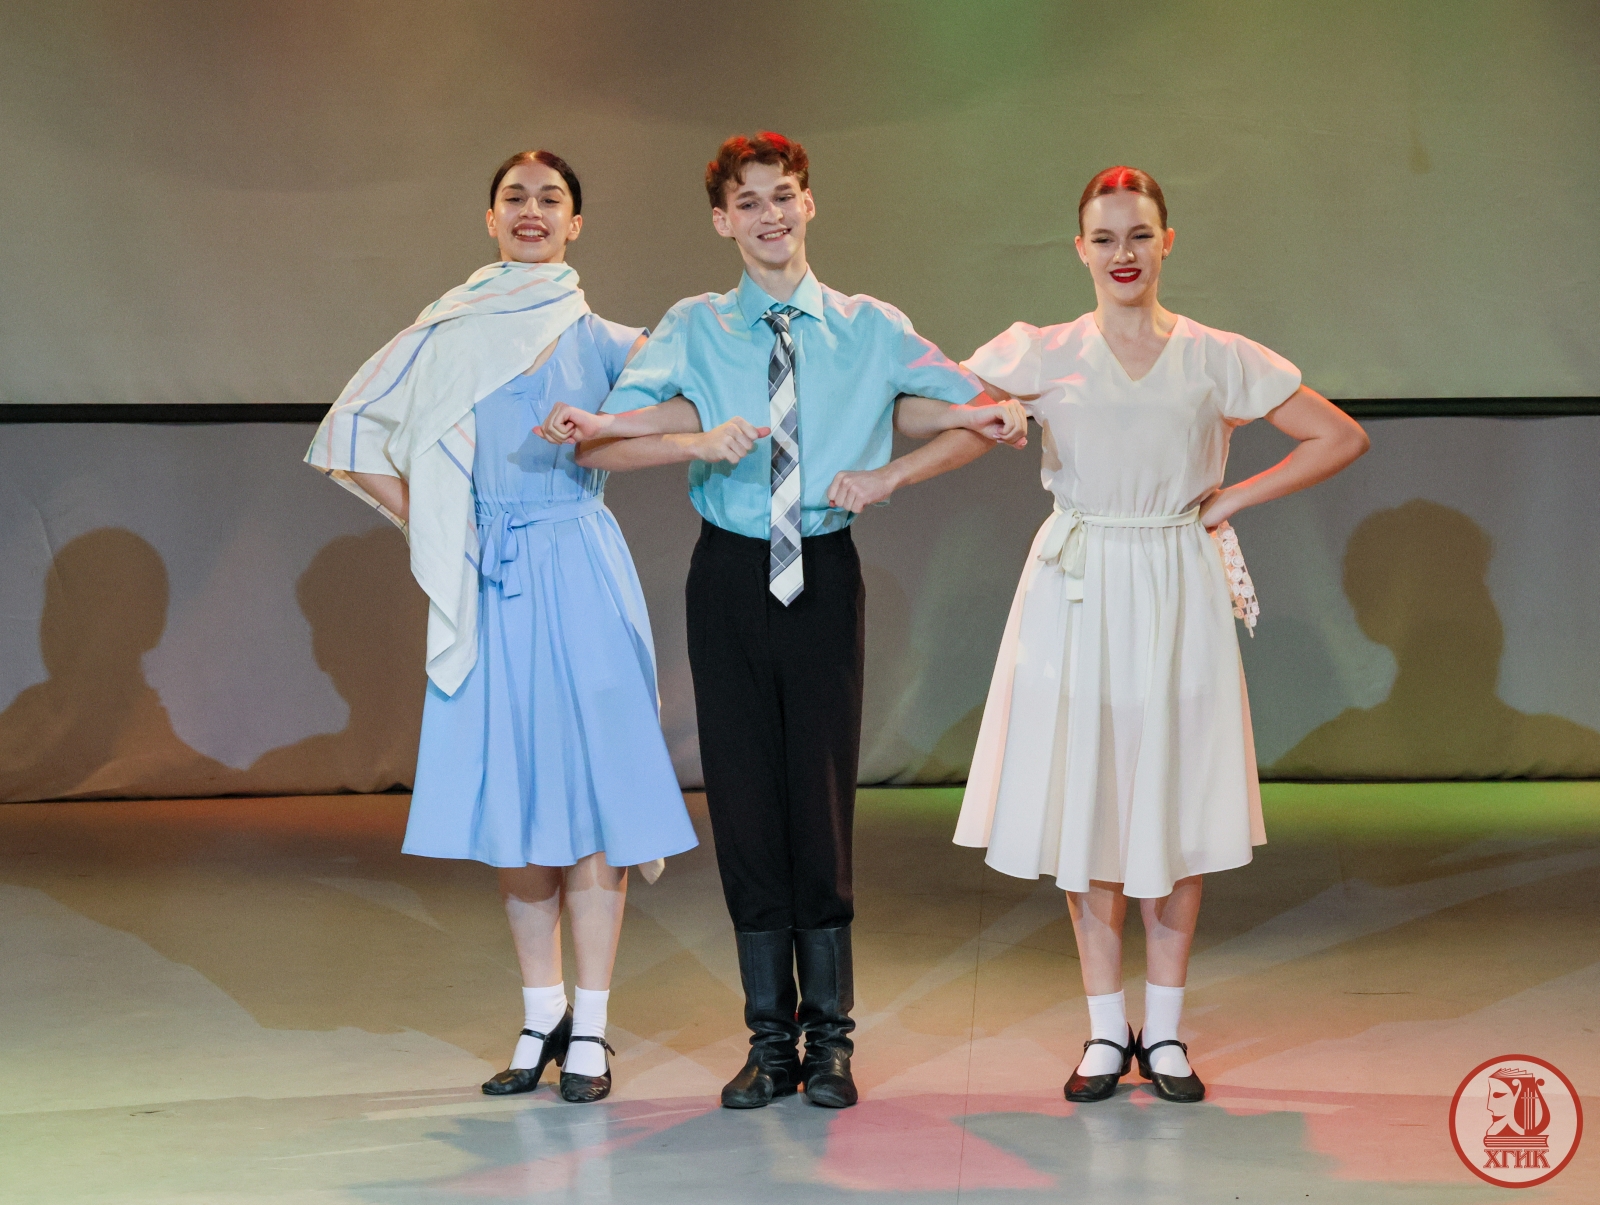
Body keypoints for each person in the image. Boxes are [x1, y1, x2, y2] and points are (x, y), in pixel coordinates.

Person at [538, 132, 1026, 1109]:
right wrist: (692, 441)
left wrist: (890, 472)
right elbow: (608, 437)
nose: (770, 215)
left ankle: (830, 1041)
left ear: (809, 205)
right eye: (750, 201)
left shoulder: (868, 326)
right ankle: (769, 1042)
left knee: (820, 800)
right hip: (729, 574)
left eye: (784, 195)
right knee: (747, 804)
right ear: (723, 220)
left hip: (823, 572)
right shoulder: (695, 326)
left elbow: (989, 415)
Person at [952, 166, 1369, 1104]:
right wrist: (994, 413)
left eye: (1139, 235)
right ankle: (1107, 1030)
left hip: (1178, 578)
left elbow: (1338, 435)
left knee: (1175, 801)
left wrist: (1233, 498)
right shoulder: (1043, 349)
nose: (1123, 254)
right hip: (1078, 584)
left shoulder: (1216, 355)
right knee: (1090, 801)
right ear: (1080, 249)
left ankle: (1168, 1031)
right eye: (1105, 238)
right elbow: (937, 404)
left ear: (1167, 241)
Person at [304, 149, 697, 1105]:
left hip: (581, 565)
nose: (531, 210)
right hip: (490, 580)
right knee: (515, 806)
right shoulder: (445, 330)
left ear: (575, 224)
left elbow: (690, 409)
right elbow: (350, 432)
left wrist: (608, 432)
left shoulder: (609, 339)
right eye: (514, 197)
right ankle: (539, 1014)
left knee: (595, 800)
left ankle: (591, 1027)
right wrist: (441, 526)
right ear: (489, 218)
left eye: (550, 199)